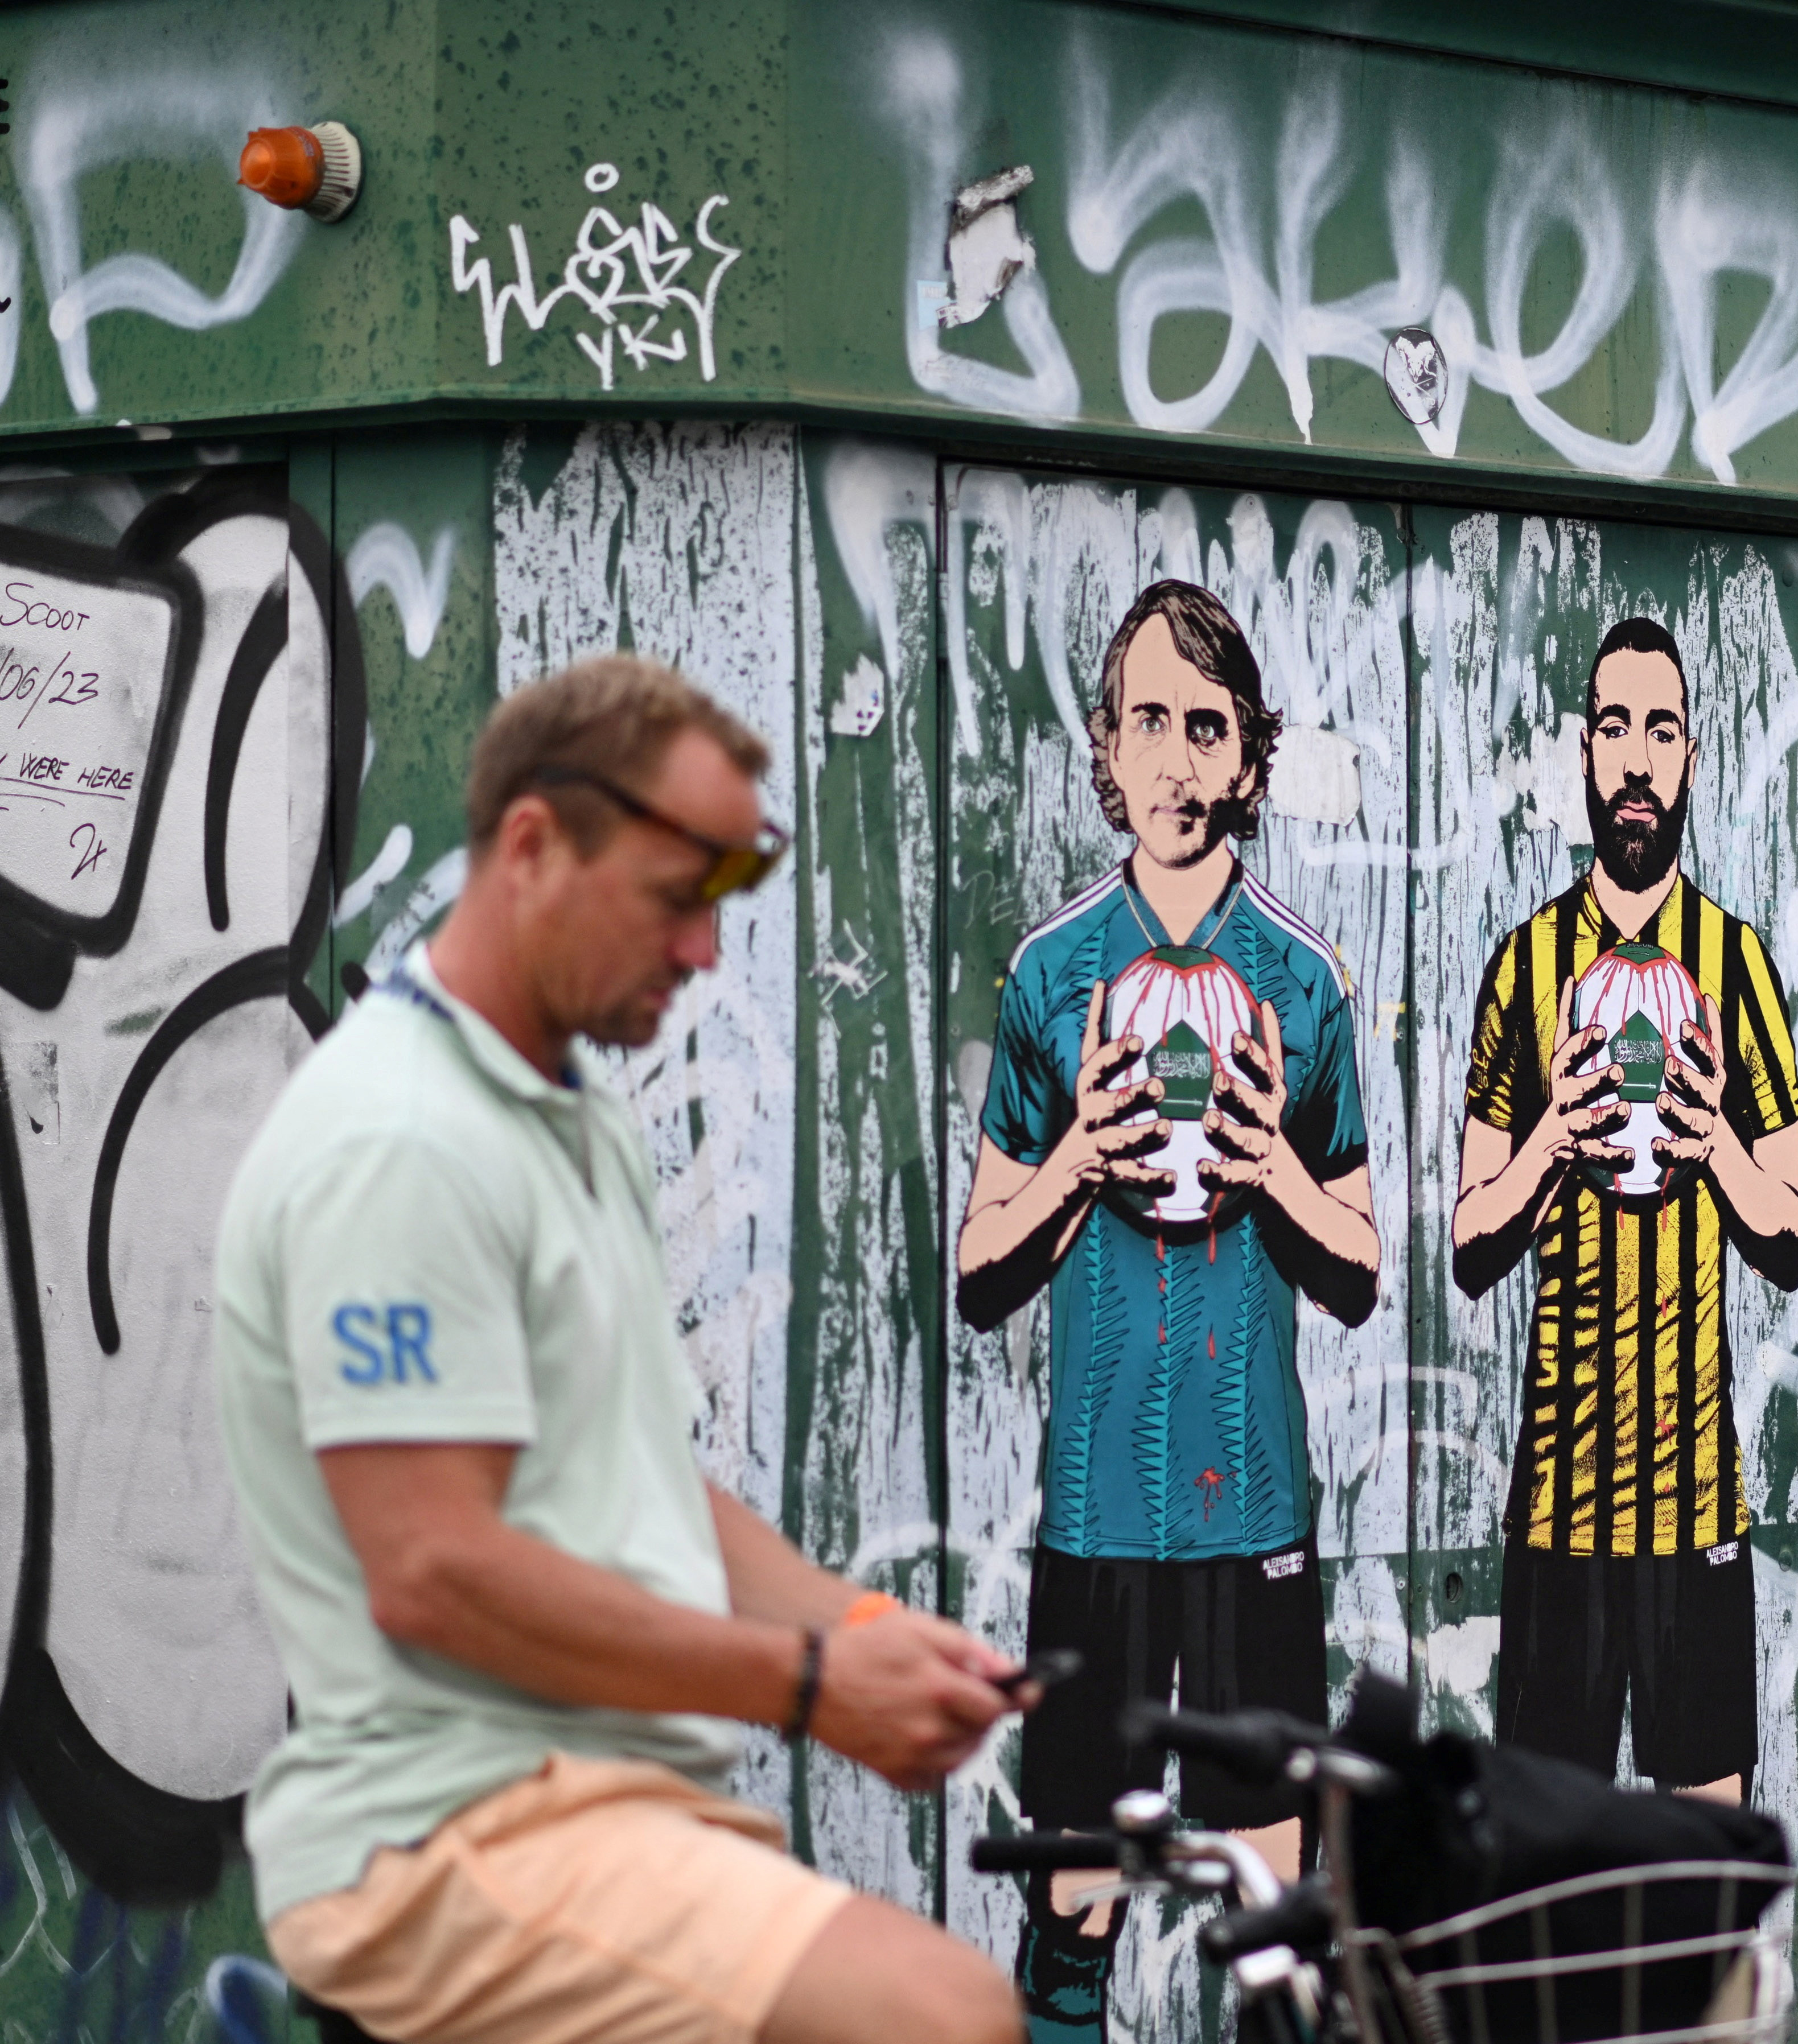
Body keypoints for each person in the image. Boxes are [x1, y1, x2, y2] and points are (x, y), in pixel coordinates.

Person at [214, 655, 1033, 2044]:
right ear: (533, 844)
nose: (706, 951)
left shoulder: (569, 1114)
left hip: (596, 1812)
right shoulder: (399, 1141)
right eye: (677, 897)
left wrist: (865, 1633)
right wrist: (812, 1688)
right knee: (942, 2016)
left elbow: (644, 1486)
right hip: (447, 1839)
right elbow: (432, 1570)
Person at [955, 579, 1379, 2043]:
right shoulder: (1053, 975)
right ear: (1109, 746)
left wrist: (1270, 1171)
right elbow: (980, 1268)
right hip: (1098, 1532)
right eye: (1151, 721)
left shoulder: (1303, 985)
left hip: (1255, 1527)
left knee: (1274, 1933)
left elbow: (1360, 1268)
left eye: (1209, 727)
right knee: (1071, 1919)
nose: (1179, 758)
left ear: (1249, 756)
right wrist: (1077, 1157)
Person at [1452, 616, 1798, 1806]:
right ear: (1586, 752)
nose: (1640, 759)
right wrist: (1553, 1139)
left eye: (1663, 729)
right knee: (1543, 1872)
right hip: (1559, 1512)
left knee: (1704, 1873)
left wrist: (1713, 1144)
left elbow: (1791, 1236)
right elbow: (1469, 1243)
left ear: (1692, 755)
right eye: (1617, 728)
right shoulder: (1525, 966)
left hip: (1695, 1502)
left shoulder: (1735, 963)